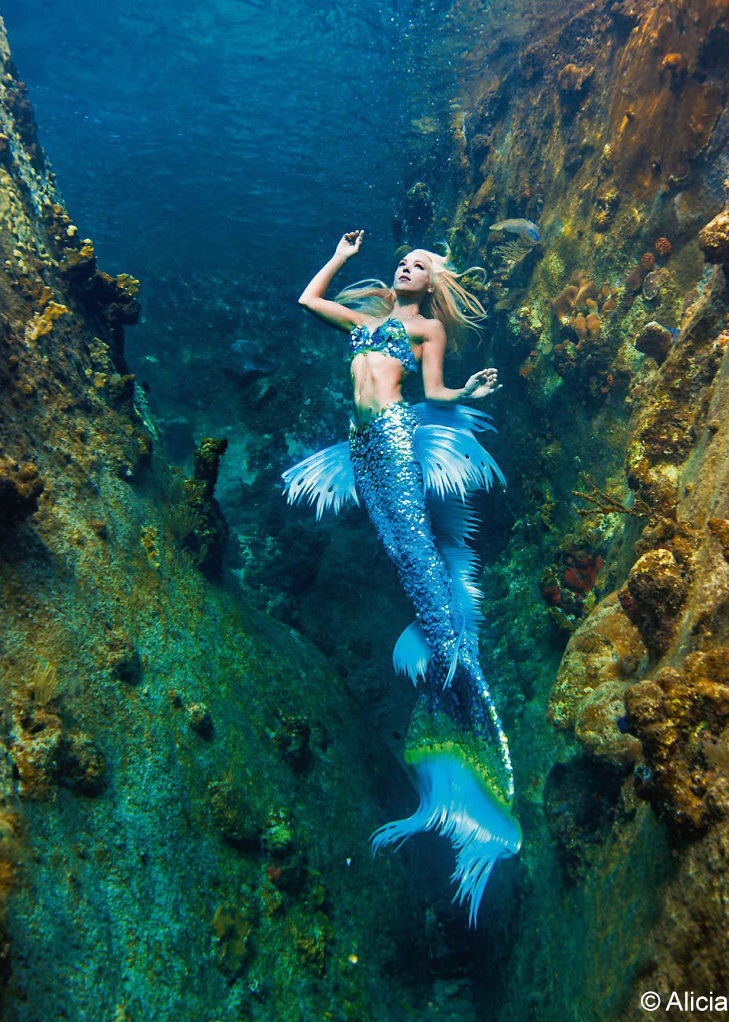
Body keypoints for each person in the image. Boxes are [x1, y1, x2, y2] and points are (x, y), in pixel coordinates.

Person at [283, 230, 521, 924]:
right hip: (361, 447)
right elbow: (307, 299)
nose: (406, 268)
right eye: (404, 262)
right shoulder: (370, 320)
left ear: (432, 284)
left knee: (419, 563)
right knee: (402, 564)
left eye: (419, 267)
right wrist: (339, 256)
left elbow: (437, 392)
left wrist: (468, 388)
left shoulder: (427, 327)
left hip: (390, 439)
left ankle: (460, 682)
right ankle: (451, 680)